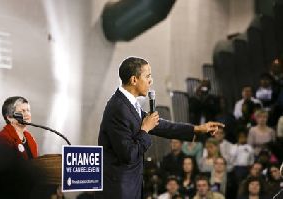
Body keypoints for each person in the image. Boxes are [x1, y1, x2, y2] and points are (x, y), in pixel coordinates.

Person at [95, 57, 224, 199]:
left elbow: (161, 125)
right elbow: (129, 154)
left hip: (129, 187)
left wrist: (196, 129)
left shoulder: (128, 104)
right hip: (118, 191)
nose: (151, 80)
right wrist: (145, 130)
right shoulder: (118, 108)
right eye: (147, 76)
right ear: (134, 80)